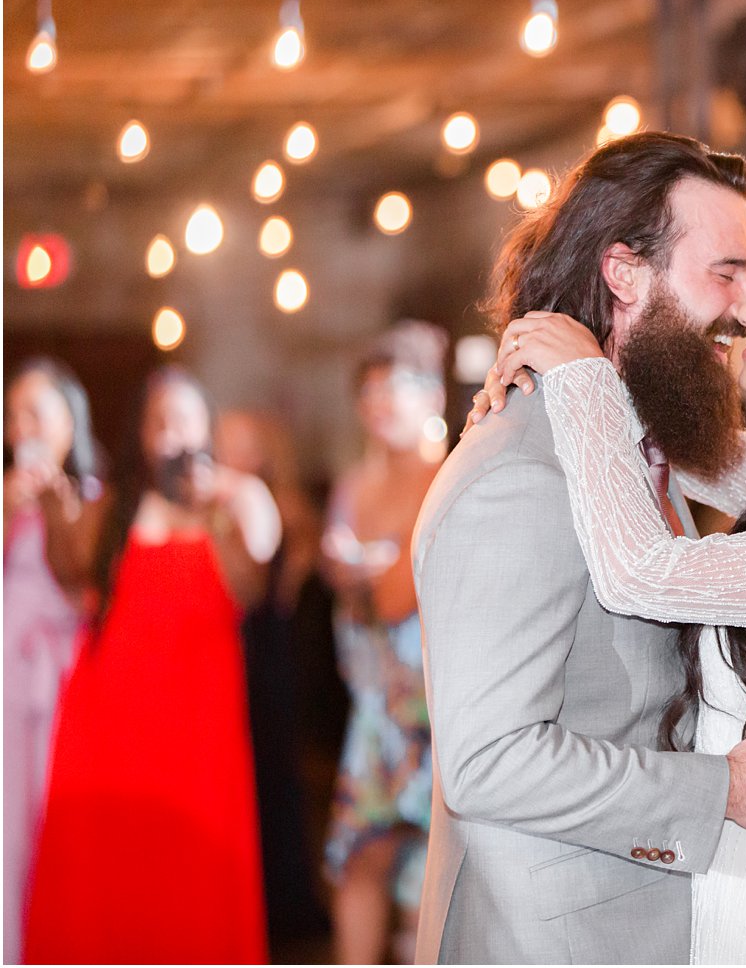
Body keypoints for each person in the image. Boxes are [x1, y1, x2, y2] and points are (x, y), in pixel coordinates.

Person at [414, 133, 746, 965]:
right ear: (625, 273)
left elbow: (670, 690)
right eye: (725, 273)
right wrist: (729, 791)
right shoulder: (519, 478)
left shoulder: (645, 452)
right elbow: (490, 763)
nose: (744, 307)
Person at [24, 366, 280, 964]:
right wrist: (55, 513)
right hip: (110, 719)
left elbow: (259, 565)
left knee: (192, 874)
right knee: (109, 881)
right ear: (141, 433)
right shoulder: (115, 513)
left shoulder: (227, 509)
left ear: (206, 429)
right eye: (159, 420)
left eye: (184, 418)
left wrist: (233, 491)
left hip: (197, 722)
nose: (171, 432)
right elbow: (71, 578)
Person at [322, 321, 448, 964]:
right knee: (361, 858)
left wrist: (366, 574)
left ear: (431, 395)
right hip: (374, 710)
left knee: (432, 873)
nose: (375, 402)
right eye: (365, 390)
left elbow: (398, 594)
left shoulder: (448, 476)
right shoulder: (353, 485)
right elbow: (344, 589)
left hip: (438, 705)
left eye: (390, 387)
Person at [2, 358, 106, 964]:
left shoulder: (94, 499)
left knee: (61, 822)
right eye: (13, 416)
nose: (23, 427)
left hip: (71, 668)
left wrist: (58, 509)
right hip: (7, 668)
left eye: (35, 412)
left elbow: (87, 587)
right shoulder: (5, 494)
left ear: (71, 420)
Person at [216, 409, 328, 947]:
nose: (225, 453)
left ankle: (279, 905)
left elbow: (282, 593)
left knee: (272, 774)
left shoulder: (275, 509)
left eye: (237, 443)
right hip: (246, 653)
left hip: (268, 655)